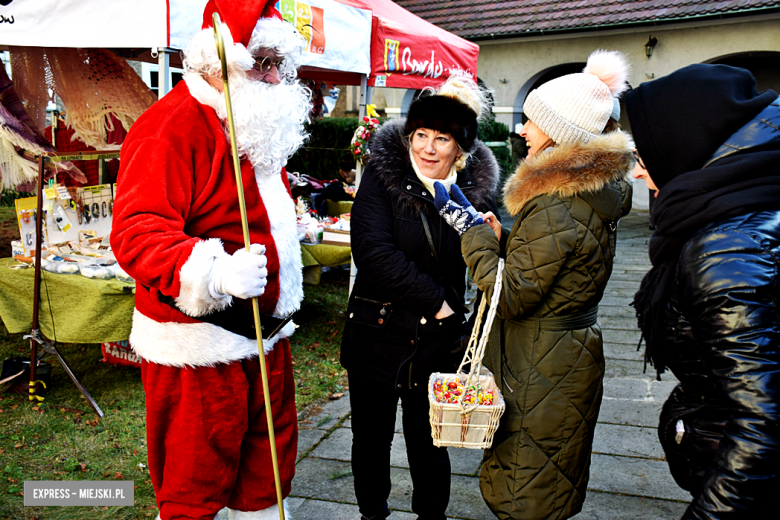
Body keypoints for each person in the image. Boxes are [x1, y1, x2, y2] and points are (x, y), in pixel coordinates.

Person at [110, 1, 311, 518]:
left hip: (266, 337)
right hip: (199, 344)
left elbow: (251, 203)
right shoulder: (170, 126)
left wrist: (290, 230)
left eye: (278, 65)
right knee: (194, 484)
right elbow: (137, 231)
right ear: (217, 62)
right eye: (261, 63)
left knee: (265, 476)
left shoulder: (251, 119)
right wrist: (214, 271)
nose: (272, 77)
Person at [434, 50, 634, 520]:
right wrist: (507, 241)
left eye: (530, 122)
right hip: (563, 355)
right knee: (547, 480)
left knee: (527, 492)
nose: (521, 130)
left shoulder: (556, 203)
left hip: (539, 364)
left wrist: (473, 235)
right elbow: (560, 269)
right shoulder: (587, 192)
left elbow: (513, 294)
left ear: (559, 133)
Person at [340, 76, 499, 520]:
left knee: (430, 443)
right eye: (421, 135)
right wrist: (442, 306)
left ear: (461, 149)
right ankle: (372, 512)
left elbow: (490, 264)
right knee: (370, 440)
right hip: (377, 330)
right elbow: (374, 255)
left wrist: (493, 238)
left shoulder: (474, 192)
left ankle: (432, 516)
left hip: (436, 343)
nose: (428, 148)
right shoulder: (382, 177)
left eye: (442, 138)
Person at [625, 64, 780, 518]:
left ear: (682, 142)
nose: (637, 171)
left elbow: (763, 425)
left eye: (643, 153)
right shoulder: (745, 208)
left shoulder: (726, 249)